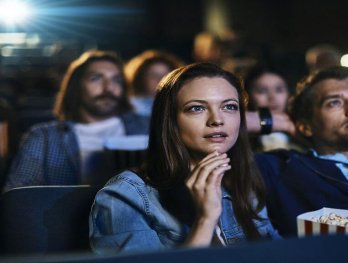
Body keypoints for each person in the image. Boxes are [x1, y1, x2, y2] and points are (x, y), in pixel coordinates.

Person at [89, 62, 281, 254]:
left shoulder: (243, 178)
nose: (217, 120)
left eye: (229, 106)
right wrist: (205, 219)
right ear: (170, 119)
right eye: (197, 108)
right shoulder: (126, 195)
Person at [255, 66, 348, 260]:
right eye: (334, 102)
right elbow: (215, 129)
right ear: (306, 126)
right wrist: (280, 122)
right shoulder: (285, 169)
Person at [3, 50, 150, 192]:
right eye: (96, 78)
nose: (108, 87)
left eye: (116, 80)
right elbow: (18, 194)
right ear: (76, 86)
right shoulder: (44, 137)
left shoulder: (150, 127)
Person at [243, 64, 305, 152]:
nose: (272, 97)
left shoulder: (303, 130)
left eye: (279, 90)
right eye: (262, 91)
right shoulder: (239, 134)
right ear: (248, 95)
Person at [124, 49, 184, 117]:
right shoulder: (131, 107)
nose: (160, 80)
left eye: (166, 75)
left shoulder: (181, 105)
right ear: (140, 79)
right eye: (154, 76)